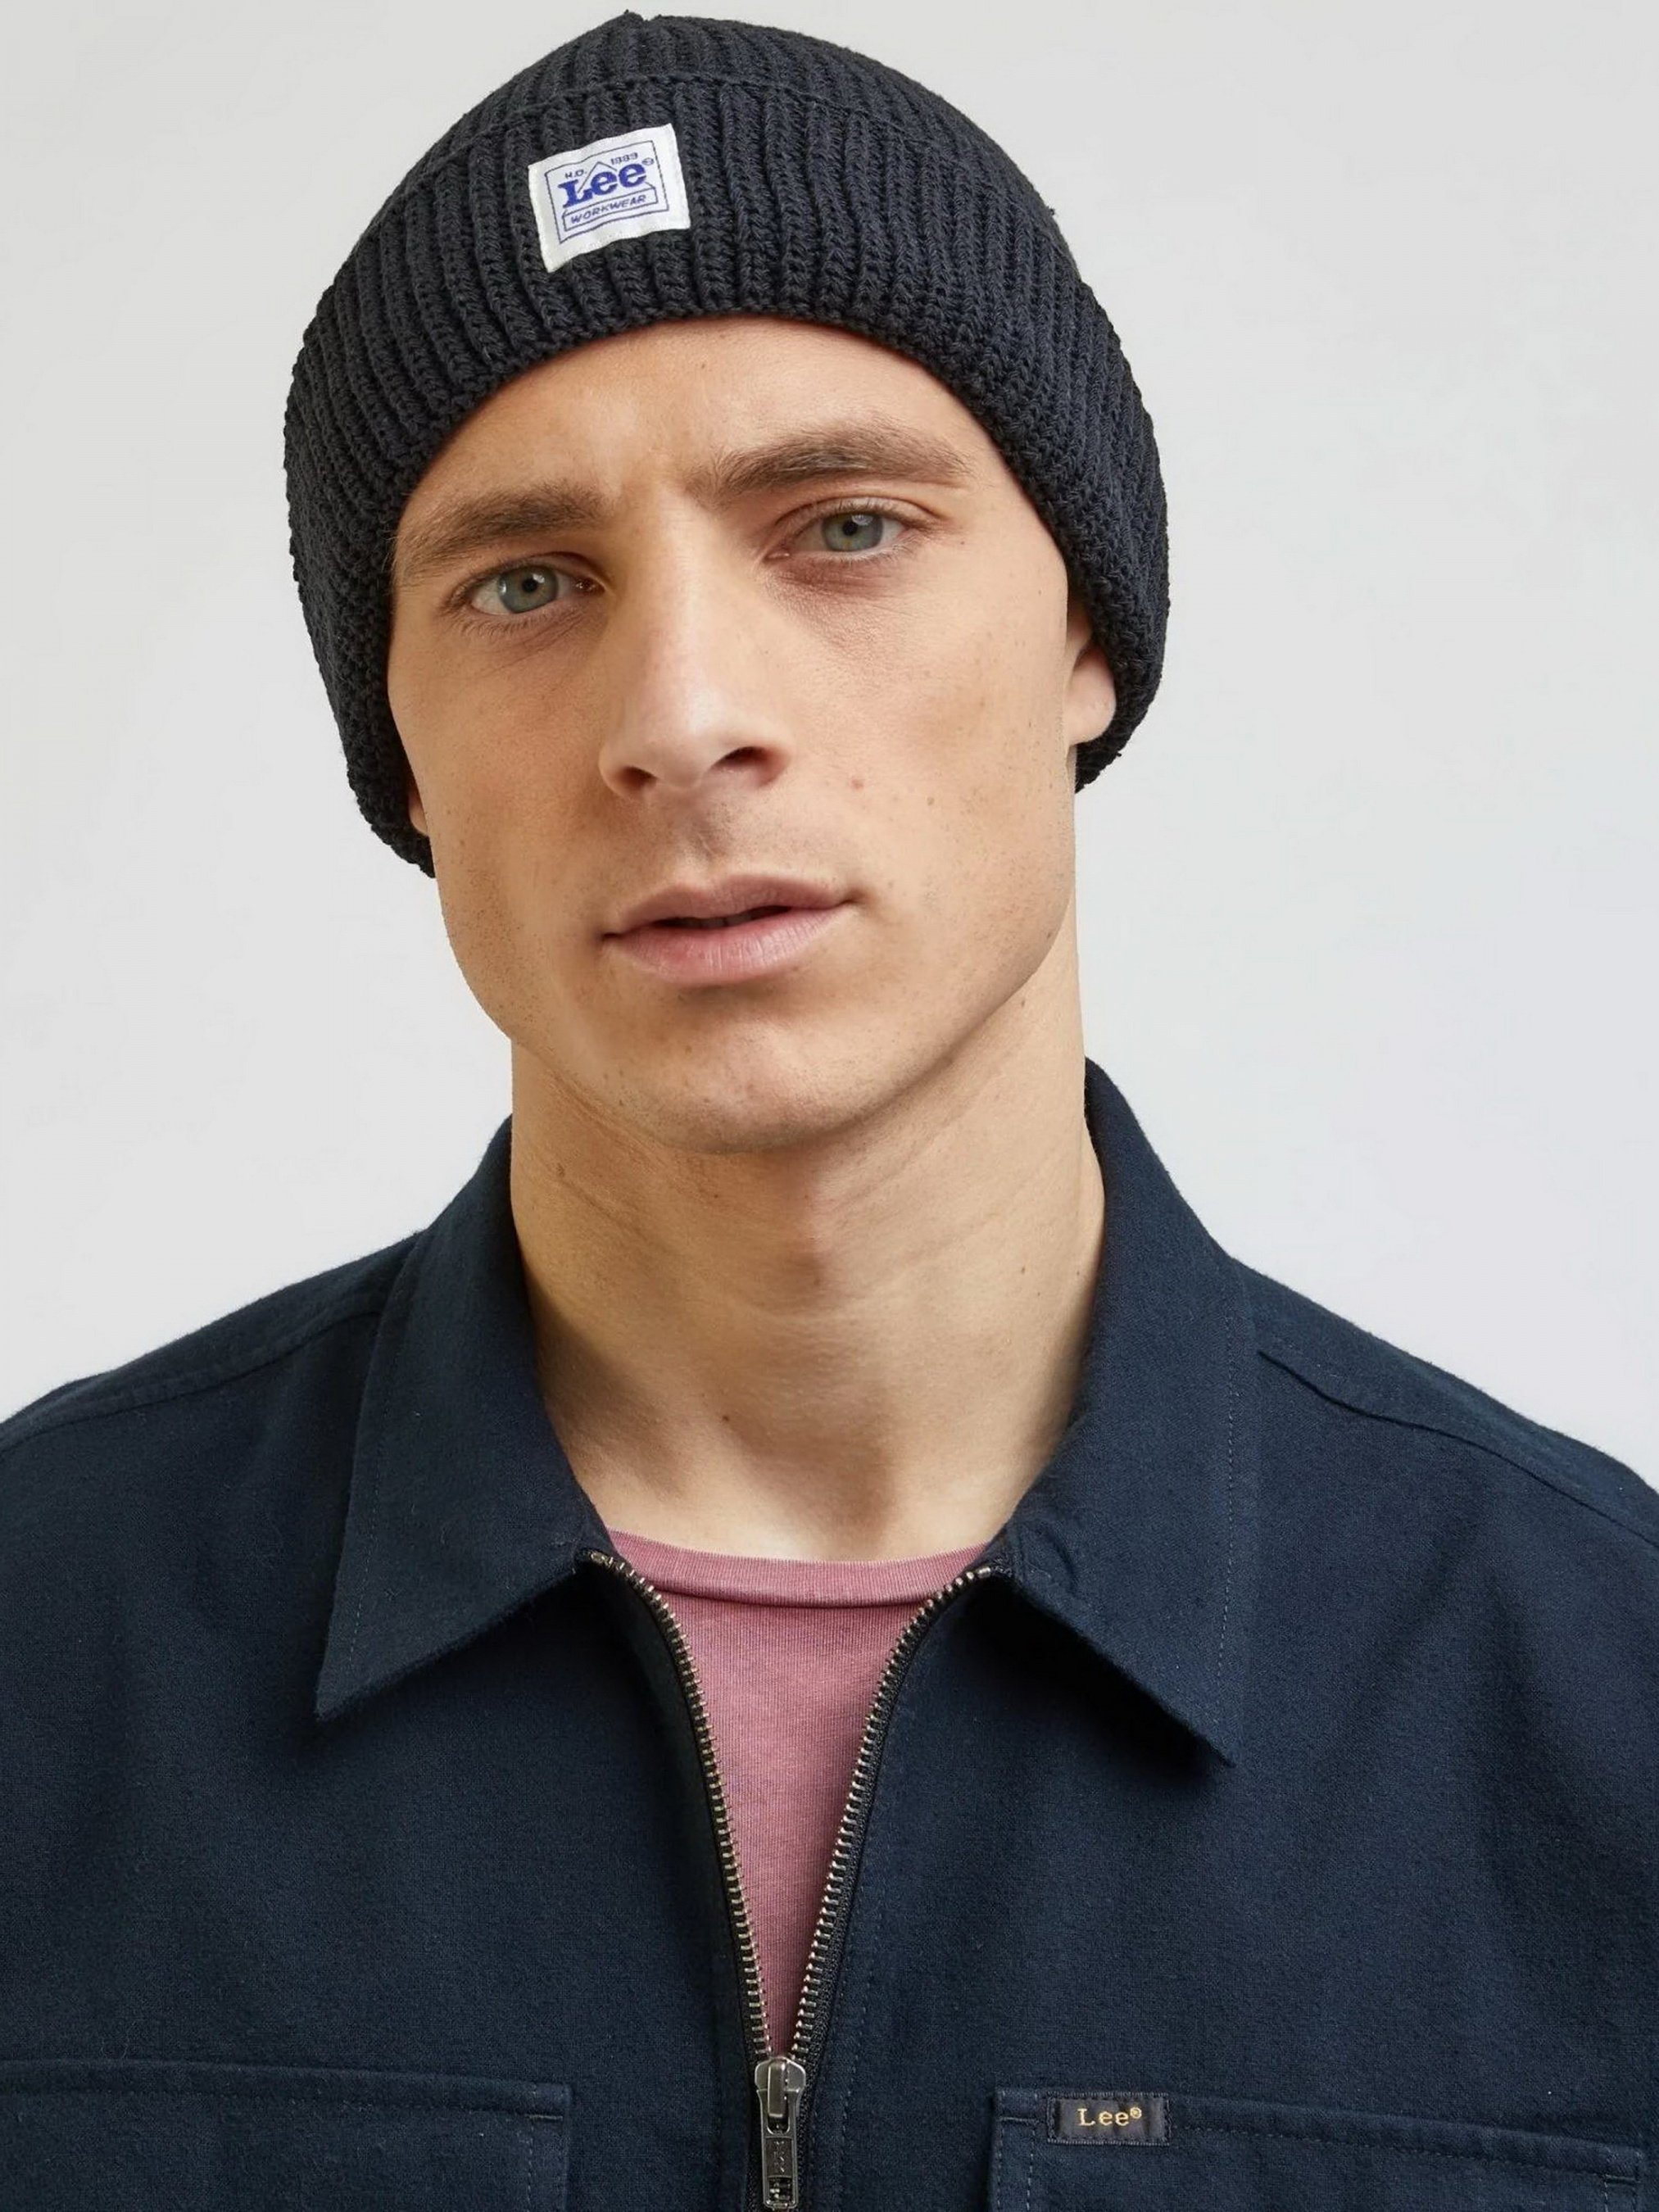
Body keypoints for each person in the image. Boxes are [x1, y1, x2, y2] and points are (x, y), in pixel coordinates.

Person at [2, 13, 1653, 2211]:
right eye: (524, 582)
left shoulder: (1600, 1700)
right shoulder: (44, 1639)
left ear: (1086, 631)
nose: (683, 716)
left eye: (845, 527)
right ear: (398, 759)